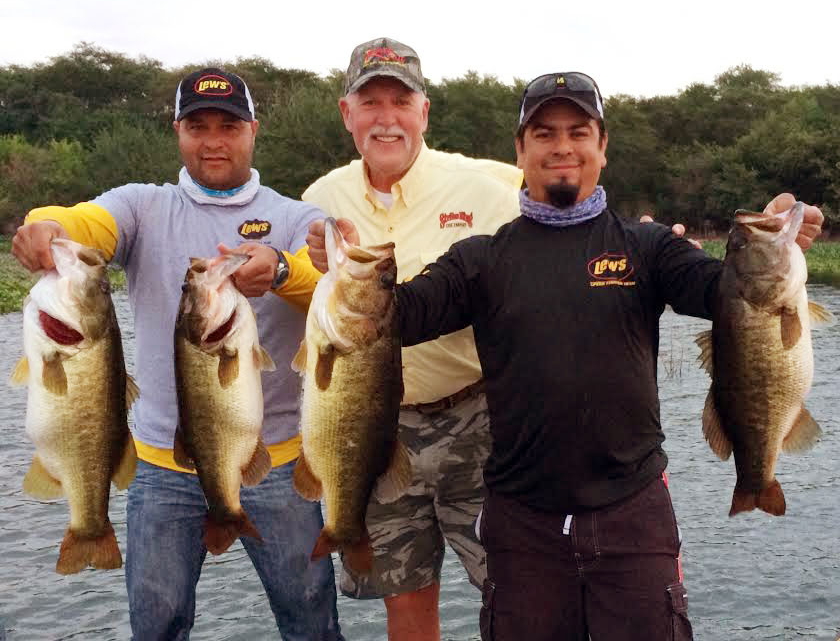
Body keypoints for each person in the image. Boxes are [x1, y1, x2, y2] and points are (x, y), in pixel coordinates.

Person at [312, 71, 824, 640]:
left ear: (603, 147)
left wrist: (776, 233)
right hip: (520, 523)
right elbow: (398, 315)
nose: (562, 147)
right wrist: (344, 268)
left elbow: (726, 293)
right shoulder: (480, 259)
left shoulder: (647, 248)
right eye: (544, 133)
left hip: (633, 514)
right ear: (520, 151)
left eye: (578, 132)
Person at [12, 68, 343, 641]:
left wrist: (285, 270)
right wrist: (47, 226)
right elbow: (83, 222)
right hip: (161, 465)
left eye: (228, 126)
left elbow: (334, 286)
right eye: (198, 126)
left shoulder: (295, 216)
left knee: (310, 618)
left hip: (279, 461)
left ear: (253, 131)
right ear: (178, 131)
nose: (214, 140)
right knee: (157, 623)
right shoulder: (141, 206)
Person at [301, 37, 523, 641]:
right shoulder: (319, 200)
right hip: (366, 429)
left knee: (514, 590)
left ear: (425, 111)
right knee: (405, 596)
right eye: (369, 101)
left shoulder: (484, 192)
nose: (386, 117)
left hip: (478, 420)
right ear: (346, 114)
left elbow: (562, 223)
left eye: (401, 100)